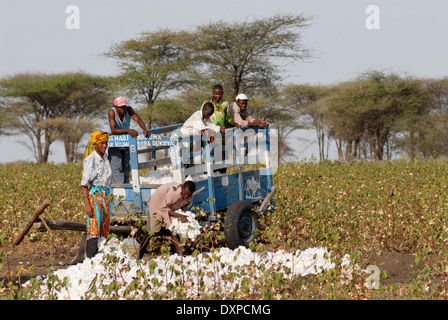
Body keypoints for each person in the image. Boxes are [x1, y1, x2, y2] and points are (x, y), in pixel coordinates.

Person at [139, 181, 196, 258]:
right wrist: (180, 216)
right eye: (184, 193)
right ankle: (139, 257)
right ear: (181, 187)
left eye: (188, 194)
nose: (186, 196)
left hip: (171, 208)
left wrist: (182, 216)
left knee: (174, 231)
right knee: (151, 232)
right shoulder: (173, 193)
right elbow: (163, 208)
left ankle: (181, 258)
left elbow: (183, 208)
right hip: (157, 205)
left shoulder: (189, 197)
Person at [79, 130, 112, 260]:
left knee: (104, 228)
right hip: (95, 196)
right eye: (102, 143)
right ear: (96, 144)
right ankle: (91, 260)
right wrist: (87, 204)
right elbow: (84, 184)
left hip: (106, 195)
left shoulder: (106, 158)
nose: (105, 146)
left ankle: (101, 258)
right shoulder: (91, 160)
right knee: (94, 228)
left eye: (106, 143)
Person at [108, 96, 151, 184]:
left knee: (126, 166)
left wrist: (144, 129)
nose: (122, 109)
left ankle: (127, 187)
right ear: (116, 107)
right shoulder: (112, 112)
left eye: (124, 106)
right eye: (120, 107)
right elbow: (113, 130)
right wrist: (127, 130)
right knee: (117, 167)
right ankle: (119, 190)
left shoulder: (129, 110)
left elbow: (138, 119)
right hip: (115, 143)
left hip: (126, 141)